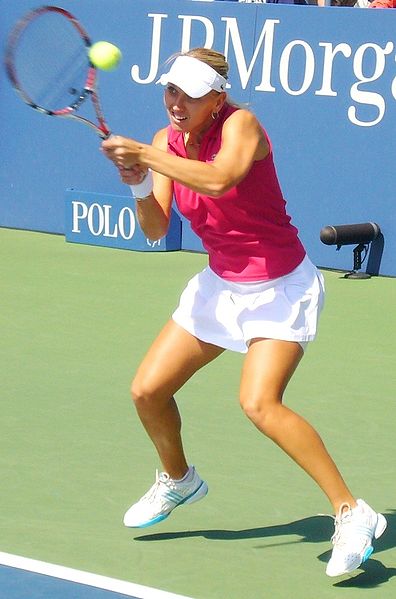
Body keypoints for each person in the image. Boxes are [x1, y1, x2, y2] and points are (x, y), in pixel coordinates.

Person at [101, 48, 386, 577]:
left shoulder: (243, 126)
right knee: (147, 390)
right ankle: (179, 480)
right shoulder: (165, 142)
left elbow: (218, 180)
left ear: (218, 98)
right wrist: (138, 180)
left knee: (259, 403)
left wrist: (143, 154)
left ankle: (353, 513)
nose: (177, 102)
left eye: (190, 94)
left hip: (280, 287)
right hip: (220, 286)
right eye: (170, 91)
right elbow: (156, 229)